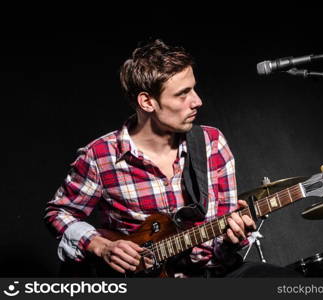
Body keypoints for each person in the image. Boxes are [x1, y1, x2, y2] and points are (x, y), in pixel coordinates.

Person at [44, 39, 297, 278]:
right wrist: (100, 246)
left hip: (213, 274)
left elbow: (223, 235)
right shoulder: (100, 157)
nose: (197, 101)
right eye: (182, 94)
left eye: (194, 89)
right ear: (147, 102)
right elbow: (59, 213)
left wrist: (234, 236)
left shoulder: (211, 143)